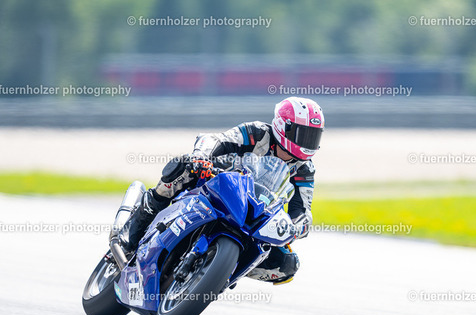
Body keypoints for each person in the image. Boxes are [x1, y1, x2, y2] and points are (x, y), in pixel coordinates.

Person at [118, 97, 324, 285]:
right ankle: (135, 229)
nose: (308, 142)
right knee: (182, 166)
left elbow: (302, 210)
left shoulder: (305, 169)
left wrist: (296, 227)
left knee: (287, 263)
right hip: (217, 185)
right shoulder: (257, 132)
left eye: (313, 136)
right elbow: (215, 139)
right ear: (283, 126)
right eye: (303, 134)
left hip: (253, 214)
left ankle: (224, 271)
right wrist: (201, 156)